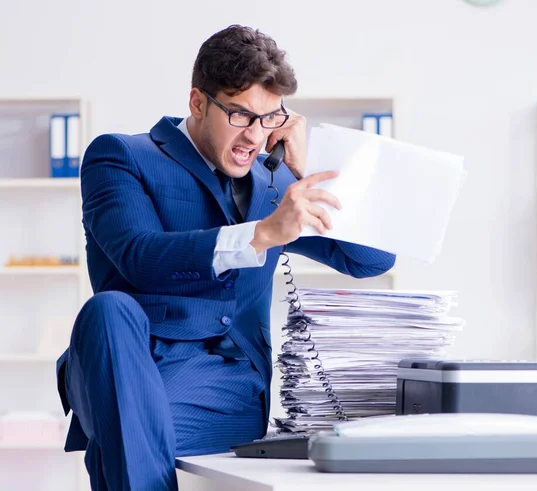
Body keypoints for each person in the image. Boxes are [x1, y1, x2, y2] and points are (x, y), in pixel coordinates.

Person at [56, 24, 396, 490]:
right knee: (108, 311)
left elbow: (372, 261)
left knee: (120, 436)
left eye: (270, 117)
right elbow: (138, 255)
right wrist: (260, 234)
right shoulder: (121, 156)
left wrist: (311, 169)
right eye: (239, 115)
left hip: (225, 384)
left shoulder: (277, 183)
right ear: (198, 102)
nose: (255, 136)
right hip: (126, 360)